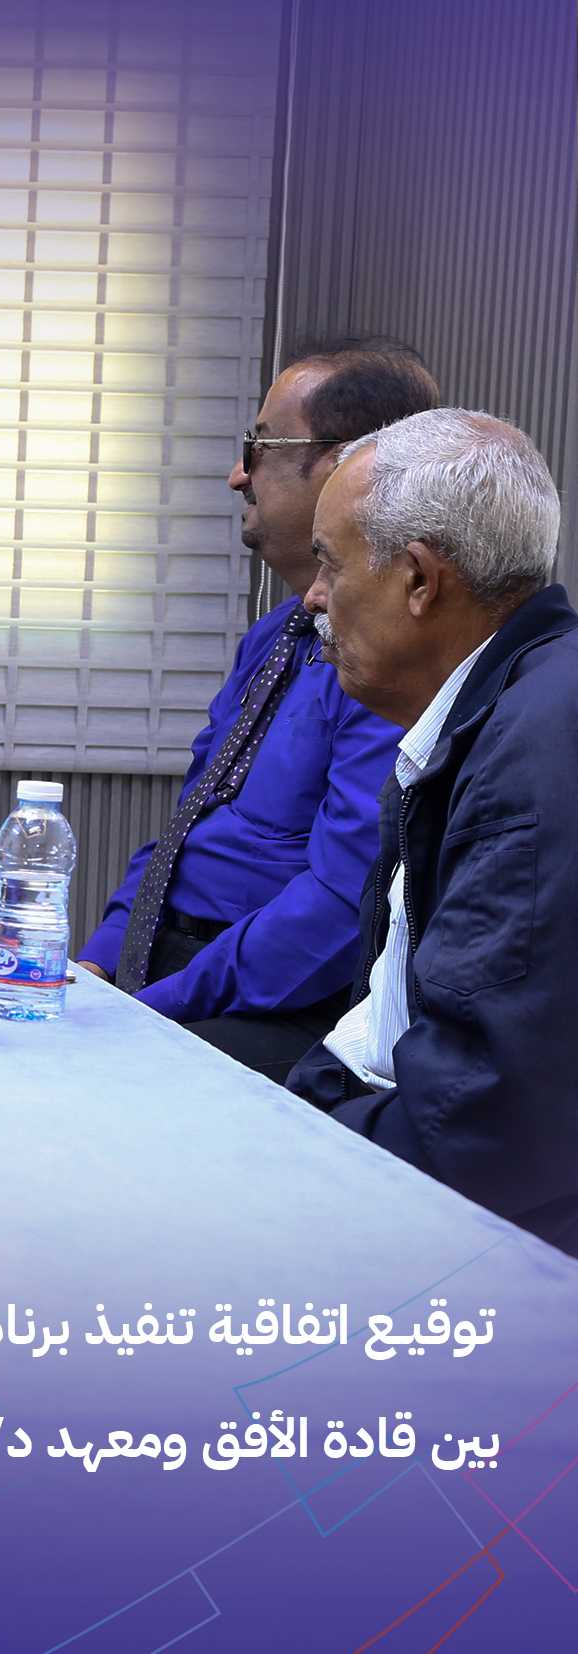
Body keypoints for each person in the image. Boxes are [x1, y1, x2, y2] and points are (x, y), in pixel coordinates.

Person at [76, 340, 437, 1079]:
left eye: (260, 446)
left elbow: (341, 904)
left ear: (346, 466)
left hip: (273, 999)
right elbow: (187, 826)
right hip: (182, 961)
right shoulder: (277, 636)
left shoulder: (386, 661)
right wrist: (102, 960)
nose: (238, 474)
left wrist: (157, 1006)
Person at [283, 410, 576, 1252]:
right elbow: (388, 1023)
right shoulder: (503, 709)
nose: (312, 598)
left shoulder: (538, 752)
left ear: (418, 580)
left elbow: (480, 1127)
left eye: (330, 565)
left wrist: (294, 1145)